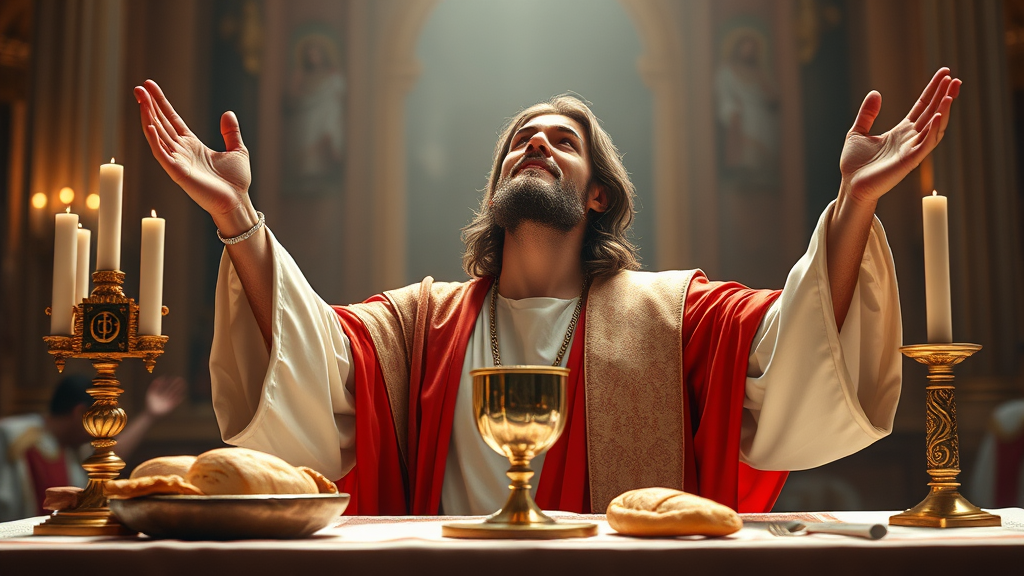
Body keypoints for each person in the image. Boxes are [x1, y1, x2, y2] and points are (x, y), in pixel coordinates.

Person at [133, 67, 960, 515]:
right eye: (519, 141)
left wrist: (854, 204)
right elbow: (309, 362)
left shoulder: (675, 316)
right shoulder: (421, 324)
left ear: (598, 193)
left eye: (562, 140)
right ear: (495, 187)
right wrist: (238, 216)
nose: (535, 143)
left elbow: (795, 350)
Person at [0, 374, 188, 521]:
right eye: (101, 420)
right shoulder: (12, 436)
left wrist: (149, 415)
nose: (103, 433)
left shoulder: (70, 447)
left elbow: (110, 456)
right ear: (80, 412)